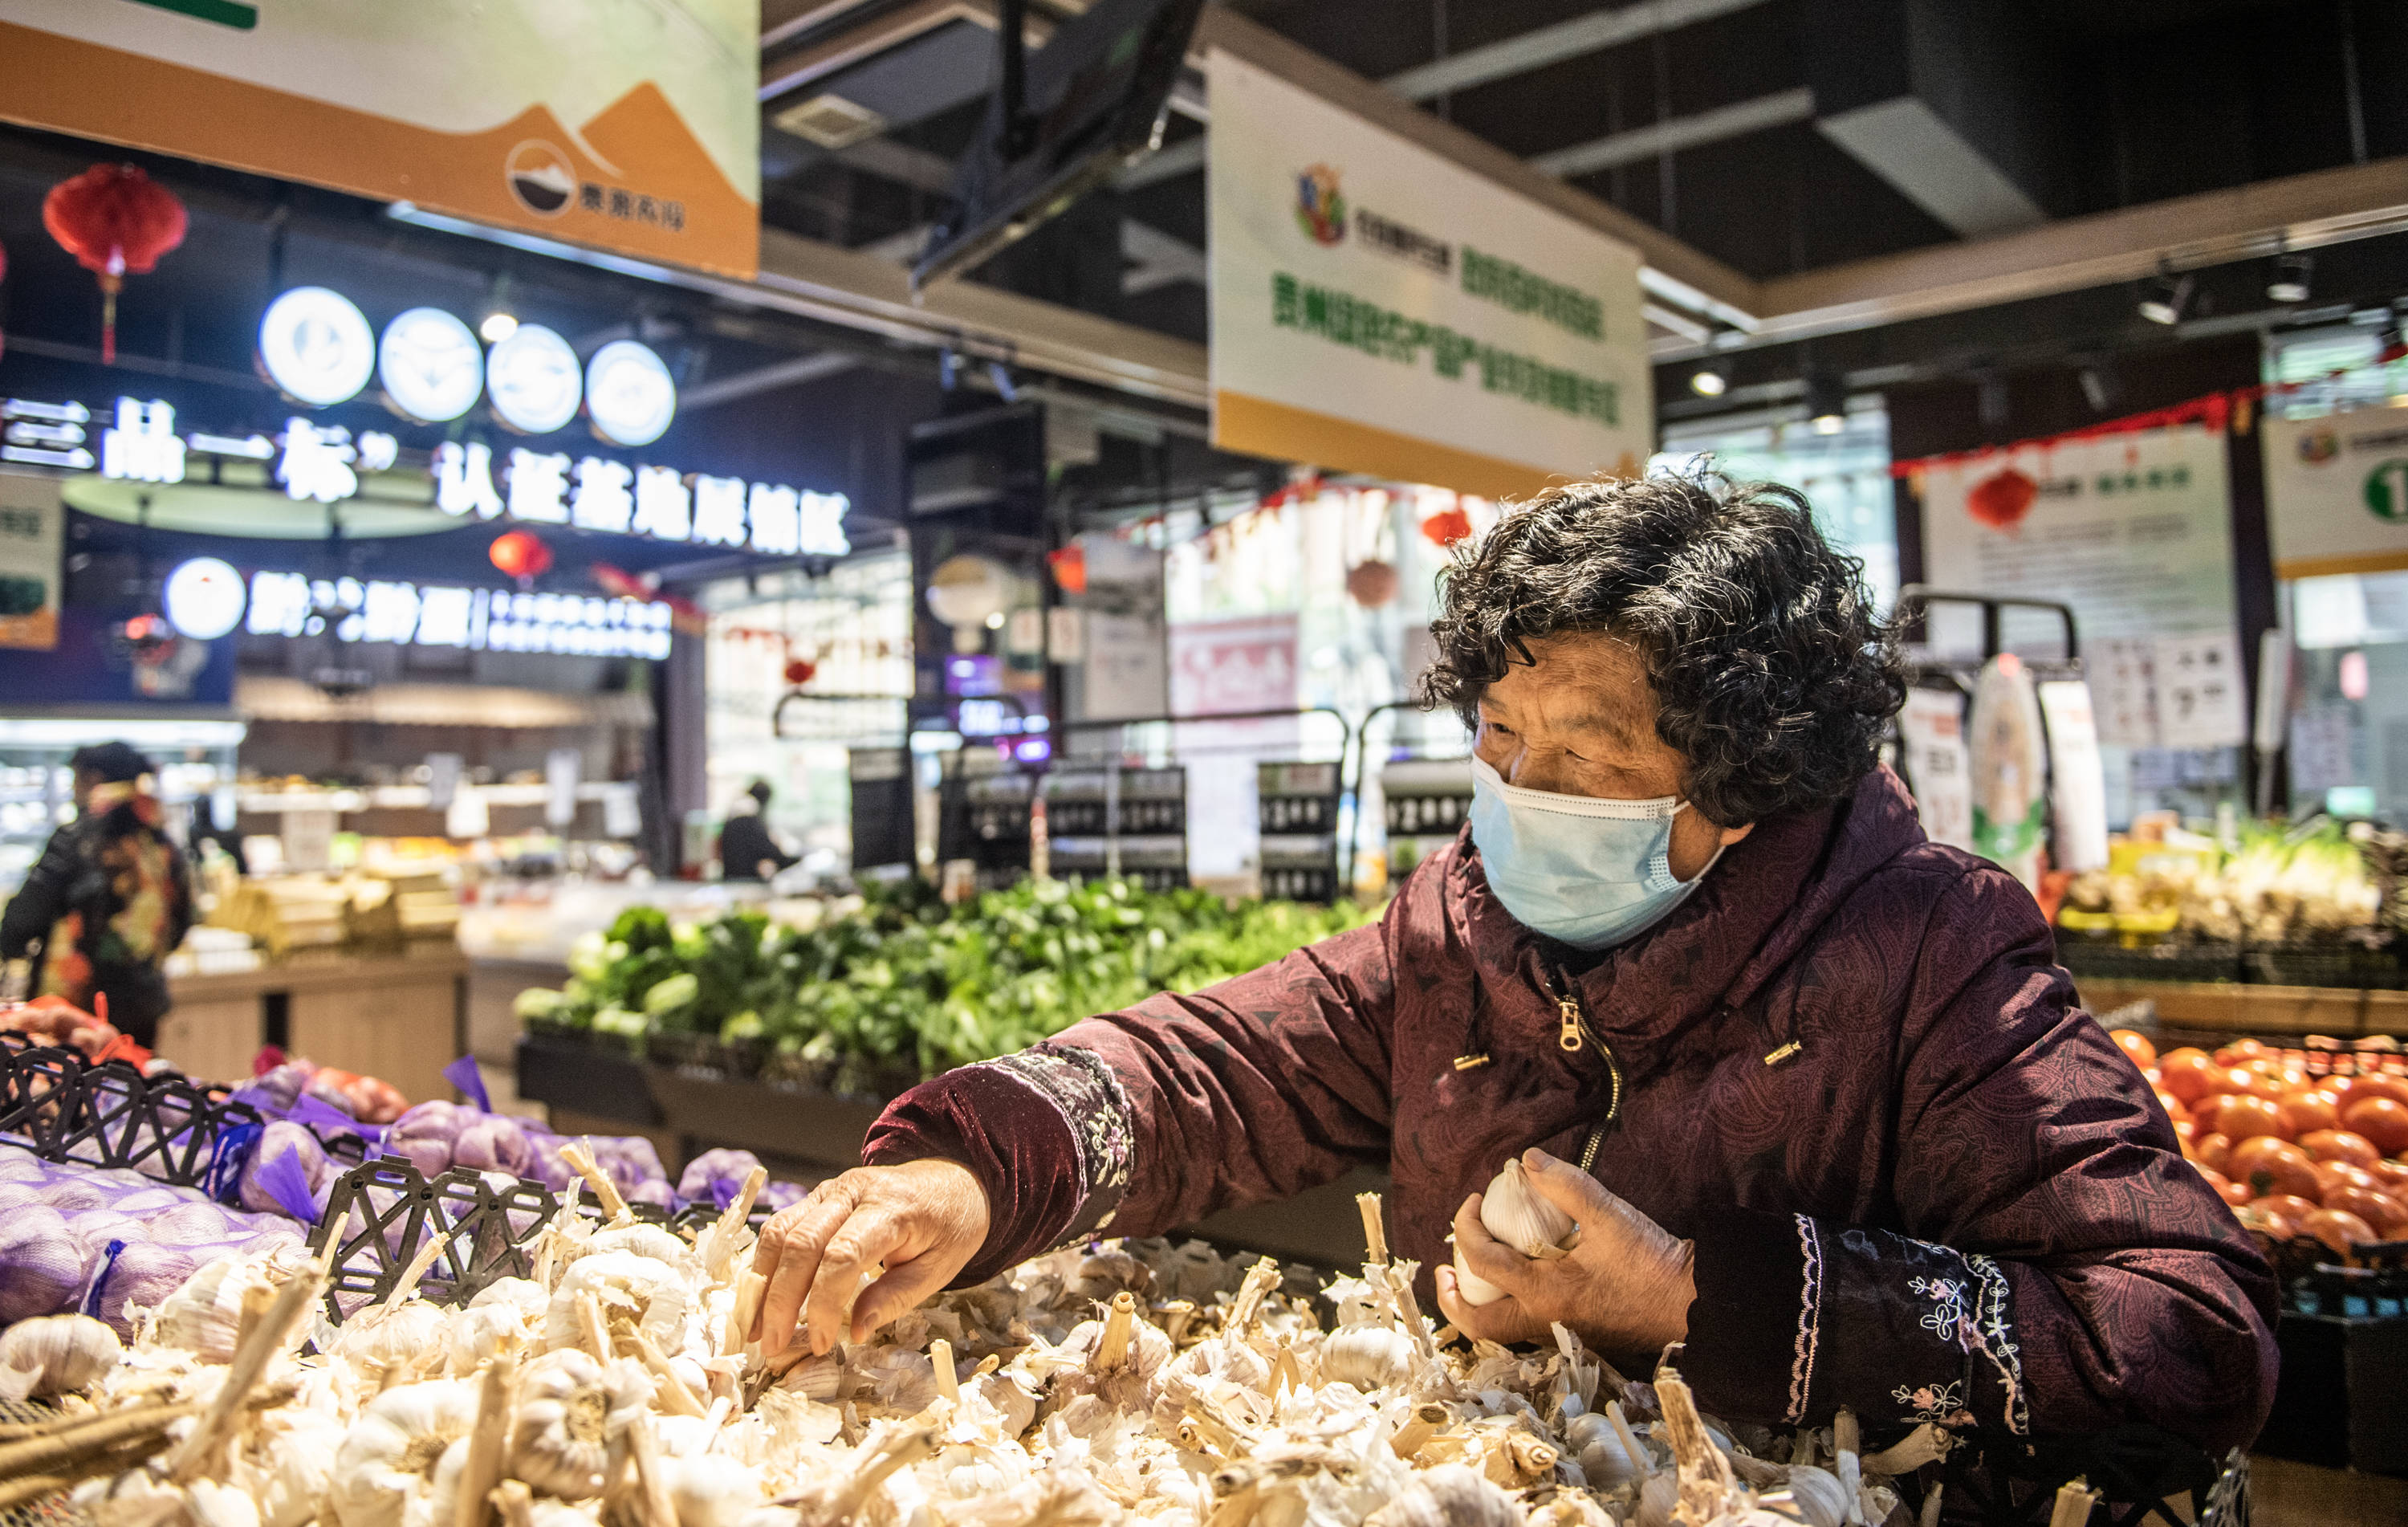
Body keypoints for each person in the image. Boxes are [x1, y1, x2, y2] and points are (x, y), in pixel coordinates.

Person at [750, 474, 2276, 1456]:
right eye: (1499, 741)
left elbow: (2189, 1335)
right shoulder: (1457, 932)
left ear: (1740, 785)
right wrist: (974, 1165)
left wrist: (1694, 1299)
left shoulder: (1930, 947)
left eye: (1587, 755)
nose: (1519, 791)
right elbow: (1219, 1067)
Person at [0, 741, 194, 1049]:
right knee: (132, 1091)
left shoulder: (74, 839)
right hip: (143, 1009)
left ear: (93, 779)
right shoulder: (161, 843)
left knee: (70, 1094)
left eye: (75, 780)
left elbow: (20, 923)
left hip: (73, 1013)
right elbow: (182, 920)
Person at [720, 780, 798, 881]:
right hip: (745, 882)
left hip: (731, 878)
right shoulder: (748, 820)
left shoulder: (733, 817)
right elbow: (772, 853)